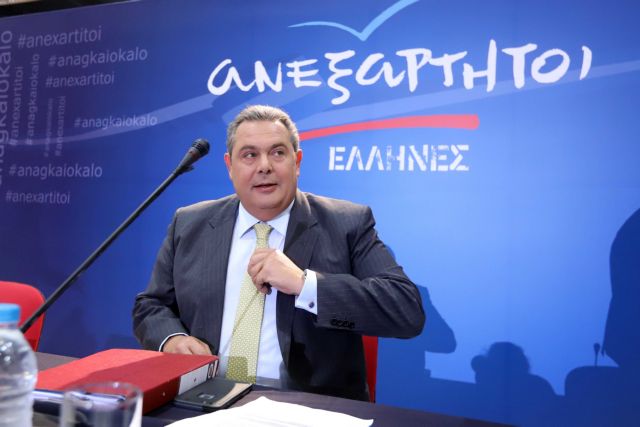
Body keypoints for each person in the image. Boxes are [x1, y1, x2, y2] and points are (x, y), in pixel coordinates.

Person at [132, 105, 425, 401]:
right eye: (249, 155)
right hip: (204, 398)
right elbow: (151, 305)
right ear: (229, 166)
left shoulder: (346, 223)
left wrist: (304, 284)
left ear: (297, 162)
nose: (264, 166)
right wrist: (172, 339)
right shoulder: (189, 223)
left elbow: (405, 311)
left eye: (277, 153)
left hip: (306, 407)